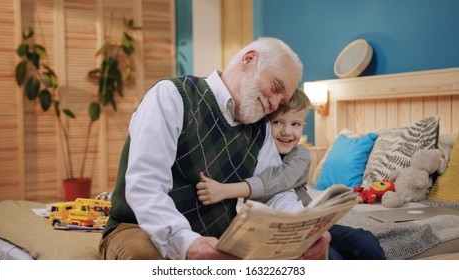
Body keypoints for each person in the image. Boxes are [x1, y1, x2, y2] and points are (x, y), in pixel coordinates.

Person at [99, 37, 331, 260]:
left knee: (310, 251)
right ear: (249, 60)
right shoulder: (172, 95)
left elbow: (274, 192)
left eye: (281, 102)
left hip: (217, 240)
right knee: (144, 255)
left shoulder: (260, 128)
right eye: (275, 87)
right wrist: (188, 243)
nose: (273, 104)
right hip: (138, 227)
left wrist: (300, 228)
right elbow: (145, 184)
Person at [196, 89, 387, 260]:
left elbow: (280, 179)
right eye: (277, 122)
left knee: (365, 241)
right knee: (331, 257)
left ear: (303, 126)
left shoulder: (301, 154)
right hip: (274, 230)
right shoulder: (252, 152)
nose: (287, 132)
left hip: (307, 222)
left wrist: (225, 191)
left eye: (295, 124)